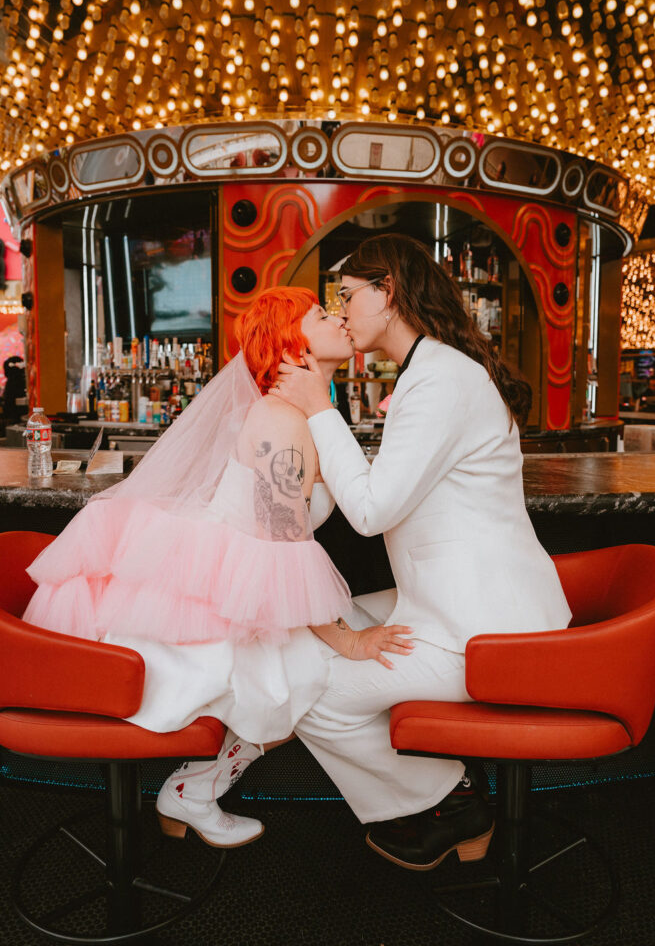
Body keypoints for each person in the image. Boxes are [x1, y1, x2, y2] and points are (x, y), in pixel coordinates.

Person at [22, 287, 414, 849]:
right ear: (292, 342)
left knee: (307, 676)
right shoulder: (281, 419)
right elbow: (284, 553)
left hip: (241, 586)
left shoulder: (309, 412)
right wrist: (350, 641)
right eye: (321, 314)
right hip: (210, 599)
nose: (339, 319)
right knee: (304, 678)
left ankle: (195, 789)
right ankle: (194, 790)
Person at [272, 234, 572, 870]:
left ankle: (450, 801)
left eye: (347, 295)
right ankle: (446, 791)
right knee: (320, 629)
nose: (342, 311)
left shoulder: (438, 378)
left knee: (308, 692)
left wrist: (320, 408)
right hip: (464, 600)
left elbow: (371, 511)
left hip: (488, 632)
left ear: (388, 292)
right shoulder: (436, 370)